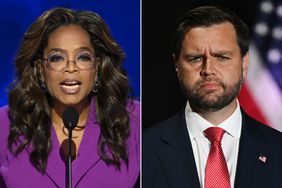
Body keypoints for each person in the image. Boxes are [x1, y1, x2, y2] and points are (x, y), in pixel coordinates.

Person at [143, 5, 282, 188]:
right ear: (176, 65)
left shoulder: (278, 150)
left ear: (245, 62)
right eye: (195, 58)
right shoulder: (142, 151)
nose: (208, 70)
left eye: (222, 57)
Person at [0, 7, 140, 188]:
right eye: (57, 58)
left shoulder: (134, 120)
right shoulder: (6, 124)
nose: (71, 68)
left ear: (96, 67)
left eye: (83, 57)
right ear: (41, 69)